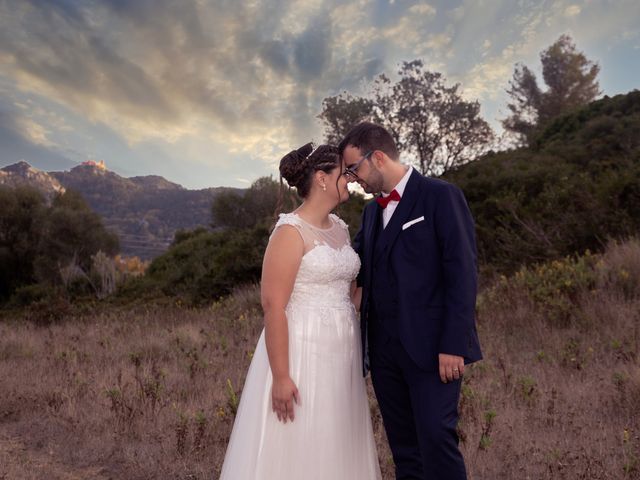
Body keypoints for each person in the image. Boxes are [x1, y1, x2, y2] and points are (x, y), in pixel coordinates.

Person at [219, 143, 381, 479]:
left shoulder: (340, 228)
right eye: (343, 172)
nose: (350, 178)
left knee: (335, 436)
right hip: (302, 352)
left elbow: (349, 297)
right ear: (322, 178)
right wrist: (280, 377)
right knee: (299, 438)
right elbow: (273, 306)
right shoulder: (290, 231)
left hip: (342, 354)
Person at [339, 122, 482, 480]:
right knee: (405, 451)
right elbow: (355, 264)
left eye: (354, 168)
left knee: (437, 440)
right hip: (385, 355)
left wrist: (453, 345)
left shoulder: (439, 196)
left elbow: (462, 275)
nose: (353, 179)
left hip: (434, 350)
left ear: (379, 157)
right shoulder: (371, 213)